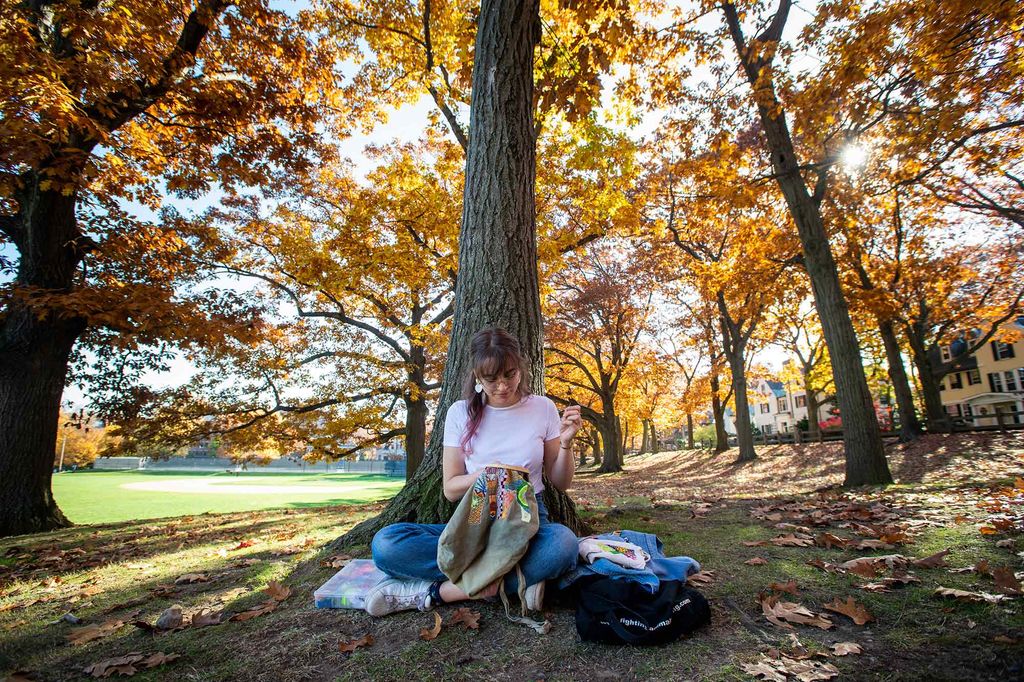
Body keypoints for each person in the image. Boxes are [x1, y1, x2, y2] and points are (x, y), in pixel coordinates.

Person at [367, 327, 583, 616]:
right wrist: (487, 475)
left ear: (521, 367)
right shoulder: (460, 412)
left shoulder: (542, 408)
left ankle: (441, 592)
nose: (503, 387)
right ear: (477, 377)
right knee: (386, 544)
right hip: (476, 517)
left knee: (564, 544)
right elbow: (451, 488)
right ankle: (514, 581)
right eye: (491, 379)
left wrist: (567, 444)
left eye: (510, 374)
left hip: (528, 519)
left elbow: (561, 482)